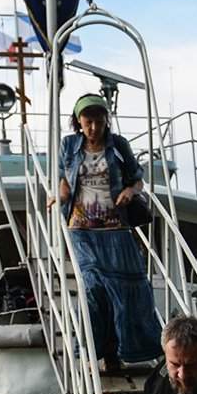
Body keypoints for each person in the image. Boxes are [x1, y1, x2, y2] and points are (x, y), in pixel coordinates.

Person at [58, 94, 162, 372]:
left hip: (115, 227)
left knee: (127, 290)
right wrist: (60, 191)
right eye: (88, 121)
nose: (93, 127)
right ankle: (94, 355)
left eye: (99, 121)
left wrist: (130, 191)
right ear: (78, 122)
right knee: (93, 288)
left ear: (106, 121)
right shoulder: (69, 144)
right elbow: (61, 174)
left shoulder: (118, 145)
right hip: (81, 228)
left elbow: (137, 177)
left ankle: (119, 352)